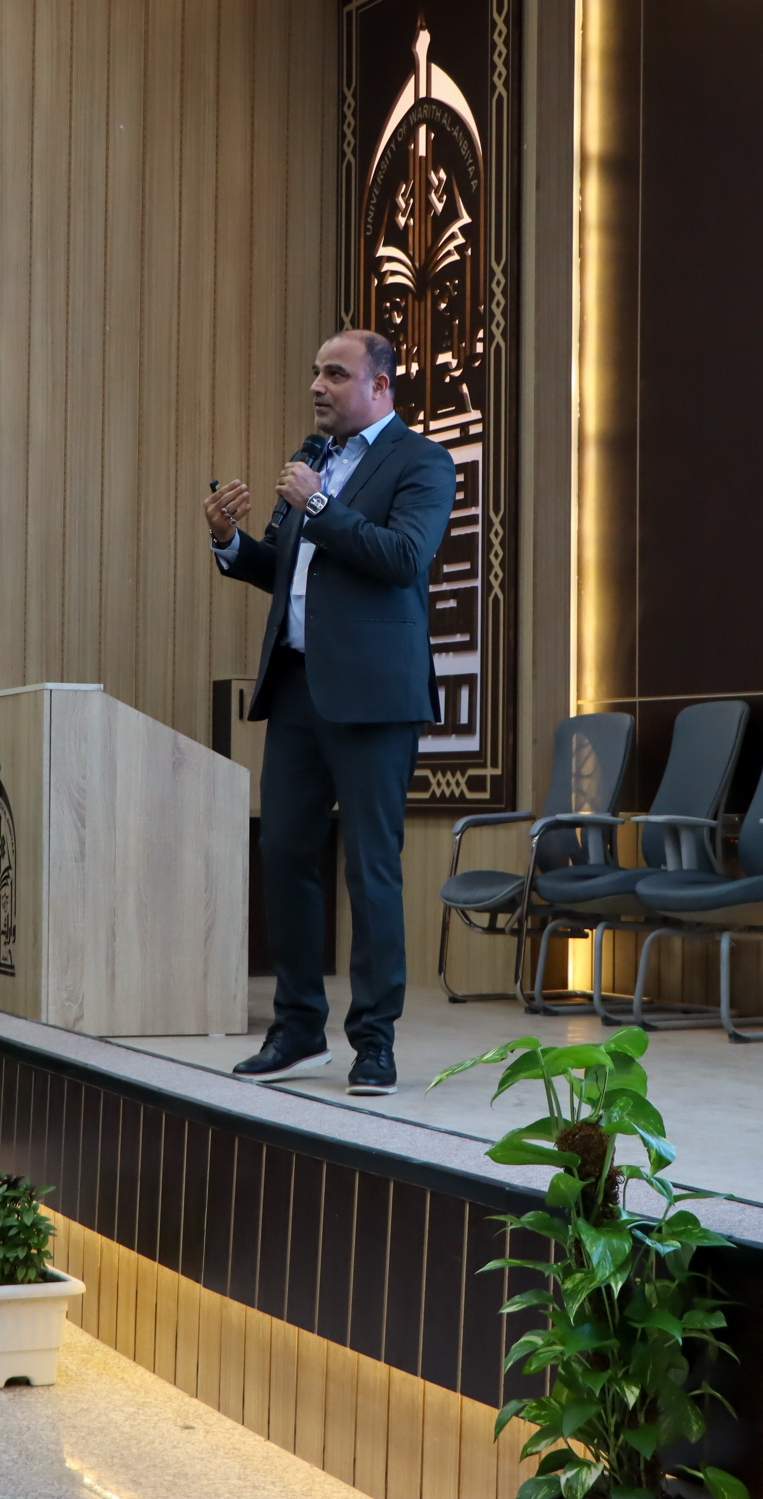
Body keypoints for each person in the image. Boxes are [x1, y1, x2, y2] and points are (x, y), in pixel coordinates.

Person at [204, 331, 454, 1097]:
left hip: (374, 696)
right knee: (283, 853)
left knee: (370, 866)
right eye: (315, 371)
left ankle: (374, 1042)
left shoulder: (421, 461)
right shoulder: (312, 459)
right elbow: (285, 571)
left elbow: (403, 558)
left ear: (380, 387)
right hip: (298, 687)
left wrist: (316, 503)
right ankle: (298, 1030)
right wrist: (229, 542)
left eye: (336, 373)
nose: (317, 385)